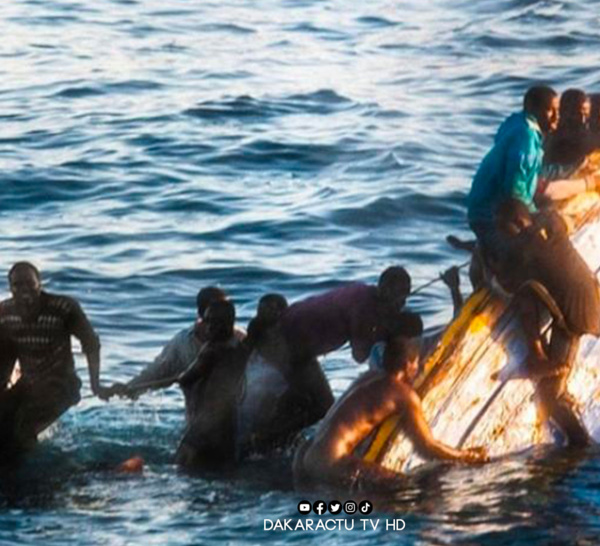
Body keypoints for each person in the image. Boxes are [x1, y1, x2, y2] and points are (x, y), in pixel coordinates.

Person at [293, 336, 488, 492]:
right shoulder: (403, 394)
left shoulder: (366, 378)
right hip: (332, 462)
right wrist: (466, 456)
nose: (417, 368)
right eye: (416, 363)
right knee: (407, 488)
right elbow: (426, 447)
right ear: (408, 364)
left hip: (304, 455)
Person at [493, 199, 599, 446]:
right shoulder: (551, 221)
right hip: (593, 299)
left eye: (503, 228)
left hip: (576, 319)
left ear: (518, 223)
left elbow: (504, 281)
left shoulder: (523, 250)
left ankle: (581, 446)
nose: (502, 235)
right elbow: (554, 217)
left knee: (550, 397)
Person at [468, 85, 600, 268]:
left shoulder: (518, 124)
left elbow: (535, 173)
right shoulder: (527, 143)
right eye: (551, 111)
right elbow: (519, 193)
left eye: (557, 111)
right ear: (535, 111)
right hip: (490, 216)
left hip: (480, 209)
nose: (557, 117)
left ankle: (488, 245)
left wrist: (577, 166)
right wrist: (536, 220)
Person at [280, 266, 423, 431]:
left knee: (306, 402)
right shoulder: (364, 308)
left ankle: (281, 438)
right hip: (289, 347)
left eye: (406, 296)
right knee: (323, 406)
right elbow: (360, 355)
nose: (402, 303)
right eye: (400, 296)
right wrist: (389, 330)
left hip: (296, 343)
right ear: (385, 289)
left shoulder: (365, 295)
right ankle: (273, 442)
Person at [0, 262, 108, 449]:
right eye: (17, 285)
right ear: (10, 288)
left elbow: (91, 344)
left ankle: (31, 472)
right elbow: (6, 354)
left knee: (23, 429)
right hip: (27, 385)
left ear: (39, 284)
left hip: (62, 384)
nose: (24, 291)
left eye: (29, 283)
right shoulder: (4, 312)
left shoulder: (63, 307)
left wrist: (96, 385)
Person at [107, 286, 242, 399]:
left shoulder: (241, 340)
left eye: (227, 315)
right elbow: (155, 372)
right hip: (197, 419)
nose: (224, 323)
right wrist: (128, 388)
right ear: (203, 315)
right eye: (217, 317)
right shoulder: (182, 344)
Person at [175, 300, 248, 469]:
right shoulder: (240, 348)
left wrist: (180, 377)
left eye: (211, 321)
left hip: (204, 427)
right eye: (206, 321)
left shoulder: (211, 350)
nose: (207, 326)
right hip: (228, 427)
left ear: (227, 322)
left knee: (183, 468)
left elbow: (186, 379)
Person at [545, 88, 600, 171]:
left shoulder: (583, 131)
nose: (582, 120)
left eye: (586, 115)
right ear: (564, 112)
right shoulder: (560, 138)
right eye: (577, 114)